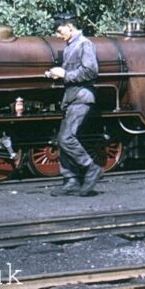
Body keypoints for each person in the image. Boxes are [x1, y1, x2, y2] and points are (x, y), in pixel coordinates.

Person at [46, 12, 104, 196]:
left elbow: (91, 71)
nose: (57, 34)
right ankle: (70, 180)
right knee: (62, 139)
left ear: (69, 26)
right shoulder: (71, 46)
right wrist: (56, 73)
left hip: (81, 96)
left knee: (66, 138)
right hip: (71, 98)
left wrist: (65, 75)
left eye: (59, 29)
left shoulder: (85, 44)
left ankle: (91, 167)